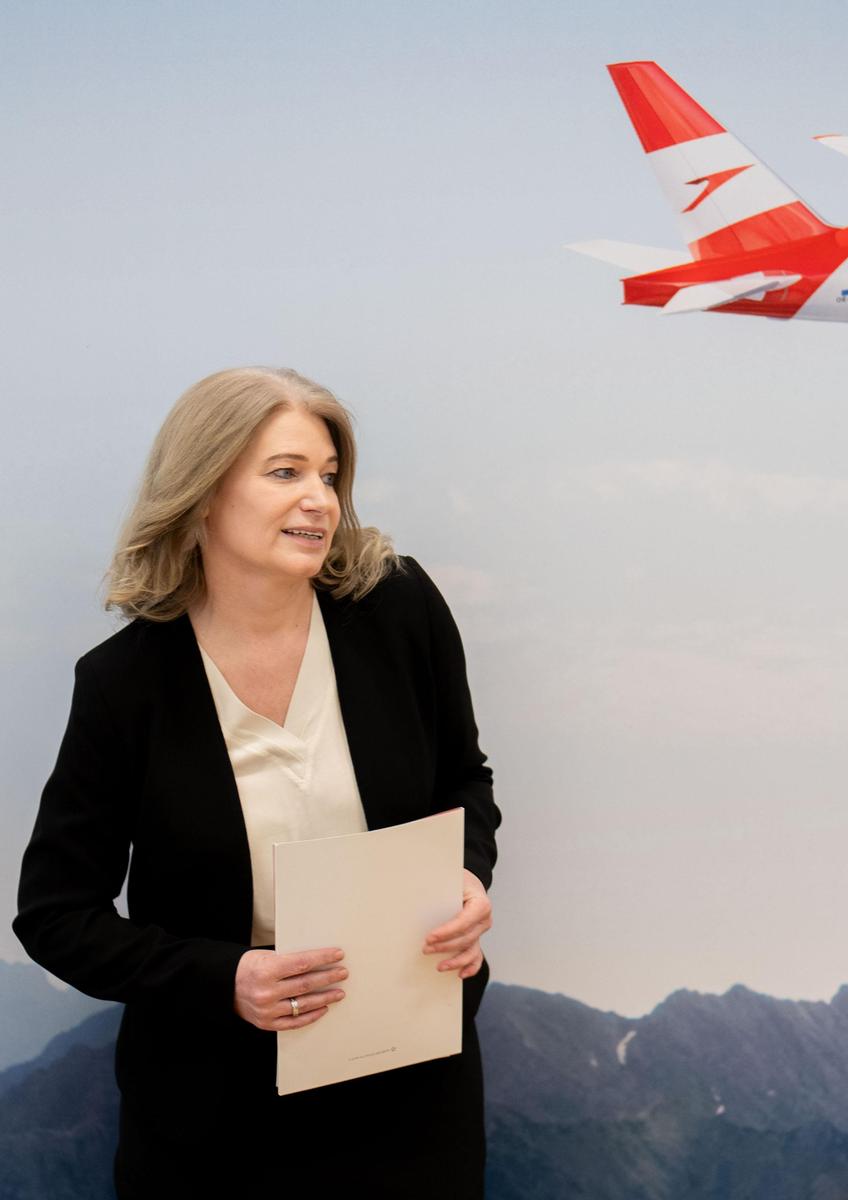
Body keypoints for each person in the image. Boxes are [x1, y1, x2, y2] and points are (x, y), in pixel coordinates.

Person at [14, 367, 500, 1196]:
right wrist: (224, 978)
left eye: (329, 476)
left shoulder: (399, 606)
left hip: (411, 1080)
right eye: (286, 473)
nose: (320, 499)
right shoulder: (123, 684)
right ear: (203, 492)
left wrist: (466, 874)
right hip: (211, 1116)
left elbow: (464, 778)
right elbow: (57, 917)